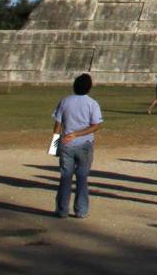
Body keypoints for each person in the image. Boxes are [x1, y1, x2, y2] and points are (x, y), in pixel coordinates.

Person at [52, 73, 103, 218]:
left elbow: (57, 126)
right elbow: (96, 125)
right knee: (81, 178)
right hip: (85, 145)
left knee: (65, 177)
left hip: (66, 145)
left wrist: (53, 146)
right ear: (89, 87)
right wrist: (79, 134)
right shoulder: (92, 103)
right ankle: (81, 210)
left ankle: (62, 210)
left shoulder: (65, 101)